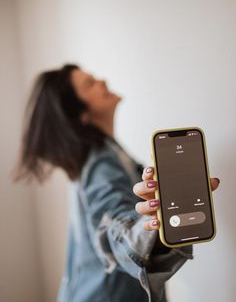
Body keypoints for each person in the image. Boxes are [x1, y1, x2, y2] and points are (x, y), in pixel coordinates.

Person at [14, 64, 220, 302]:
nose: (102, 81)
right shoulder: (101, 162)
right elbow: (113, 226)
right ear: (81, 114)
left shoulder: (110, 155)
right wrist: (150, 226)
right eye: (90, 84)